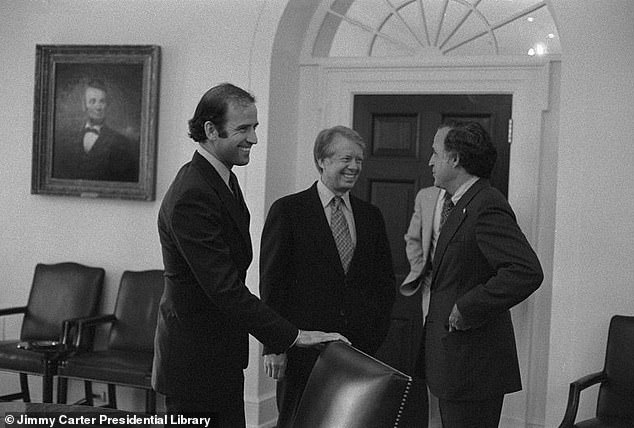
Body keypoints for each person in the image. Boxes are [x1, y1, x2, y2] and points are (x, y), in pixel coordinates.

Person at [152, 83, 348, 427]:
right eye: (244, 128)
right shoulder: (193, 193)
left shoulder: (221, 179)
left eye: (254, 127)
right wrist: (294, 336)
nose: (254, 138)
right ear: (211, 130)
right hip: (194, 366)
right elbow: (223, 288)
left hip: (219, 358)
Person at [259, 125, 396, 428]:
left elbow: (385, 284)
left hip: (357, 351)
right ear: (322, 160)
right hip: (303, 350)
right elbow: (272, 284)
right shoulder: (289, 211)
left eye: (359, 160)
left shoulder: (370, 215)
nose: (355, 167)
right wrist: (275, 346)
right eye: (347, 158)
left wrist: (372, 337)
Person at [422, 121, 543, 428]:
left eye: (436, 153)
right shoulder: (462, 203)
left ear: (455, 159)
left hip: (473, 367)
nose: (430, 162)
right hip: (454, 362)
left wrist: (468, 306)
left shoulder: (486, 203)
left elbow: (525, 271)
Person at [52, 79, 139, 182]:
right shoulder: (67, 139)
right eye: (92, 101)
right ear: (84, 105)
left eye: (102, 101)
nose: (98, 107)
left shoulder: (120, 142)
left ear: (107, 105)